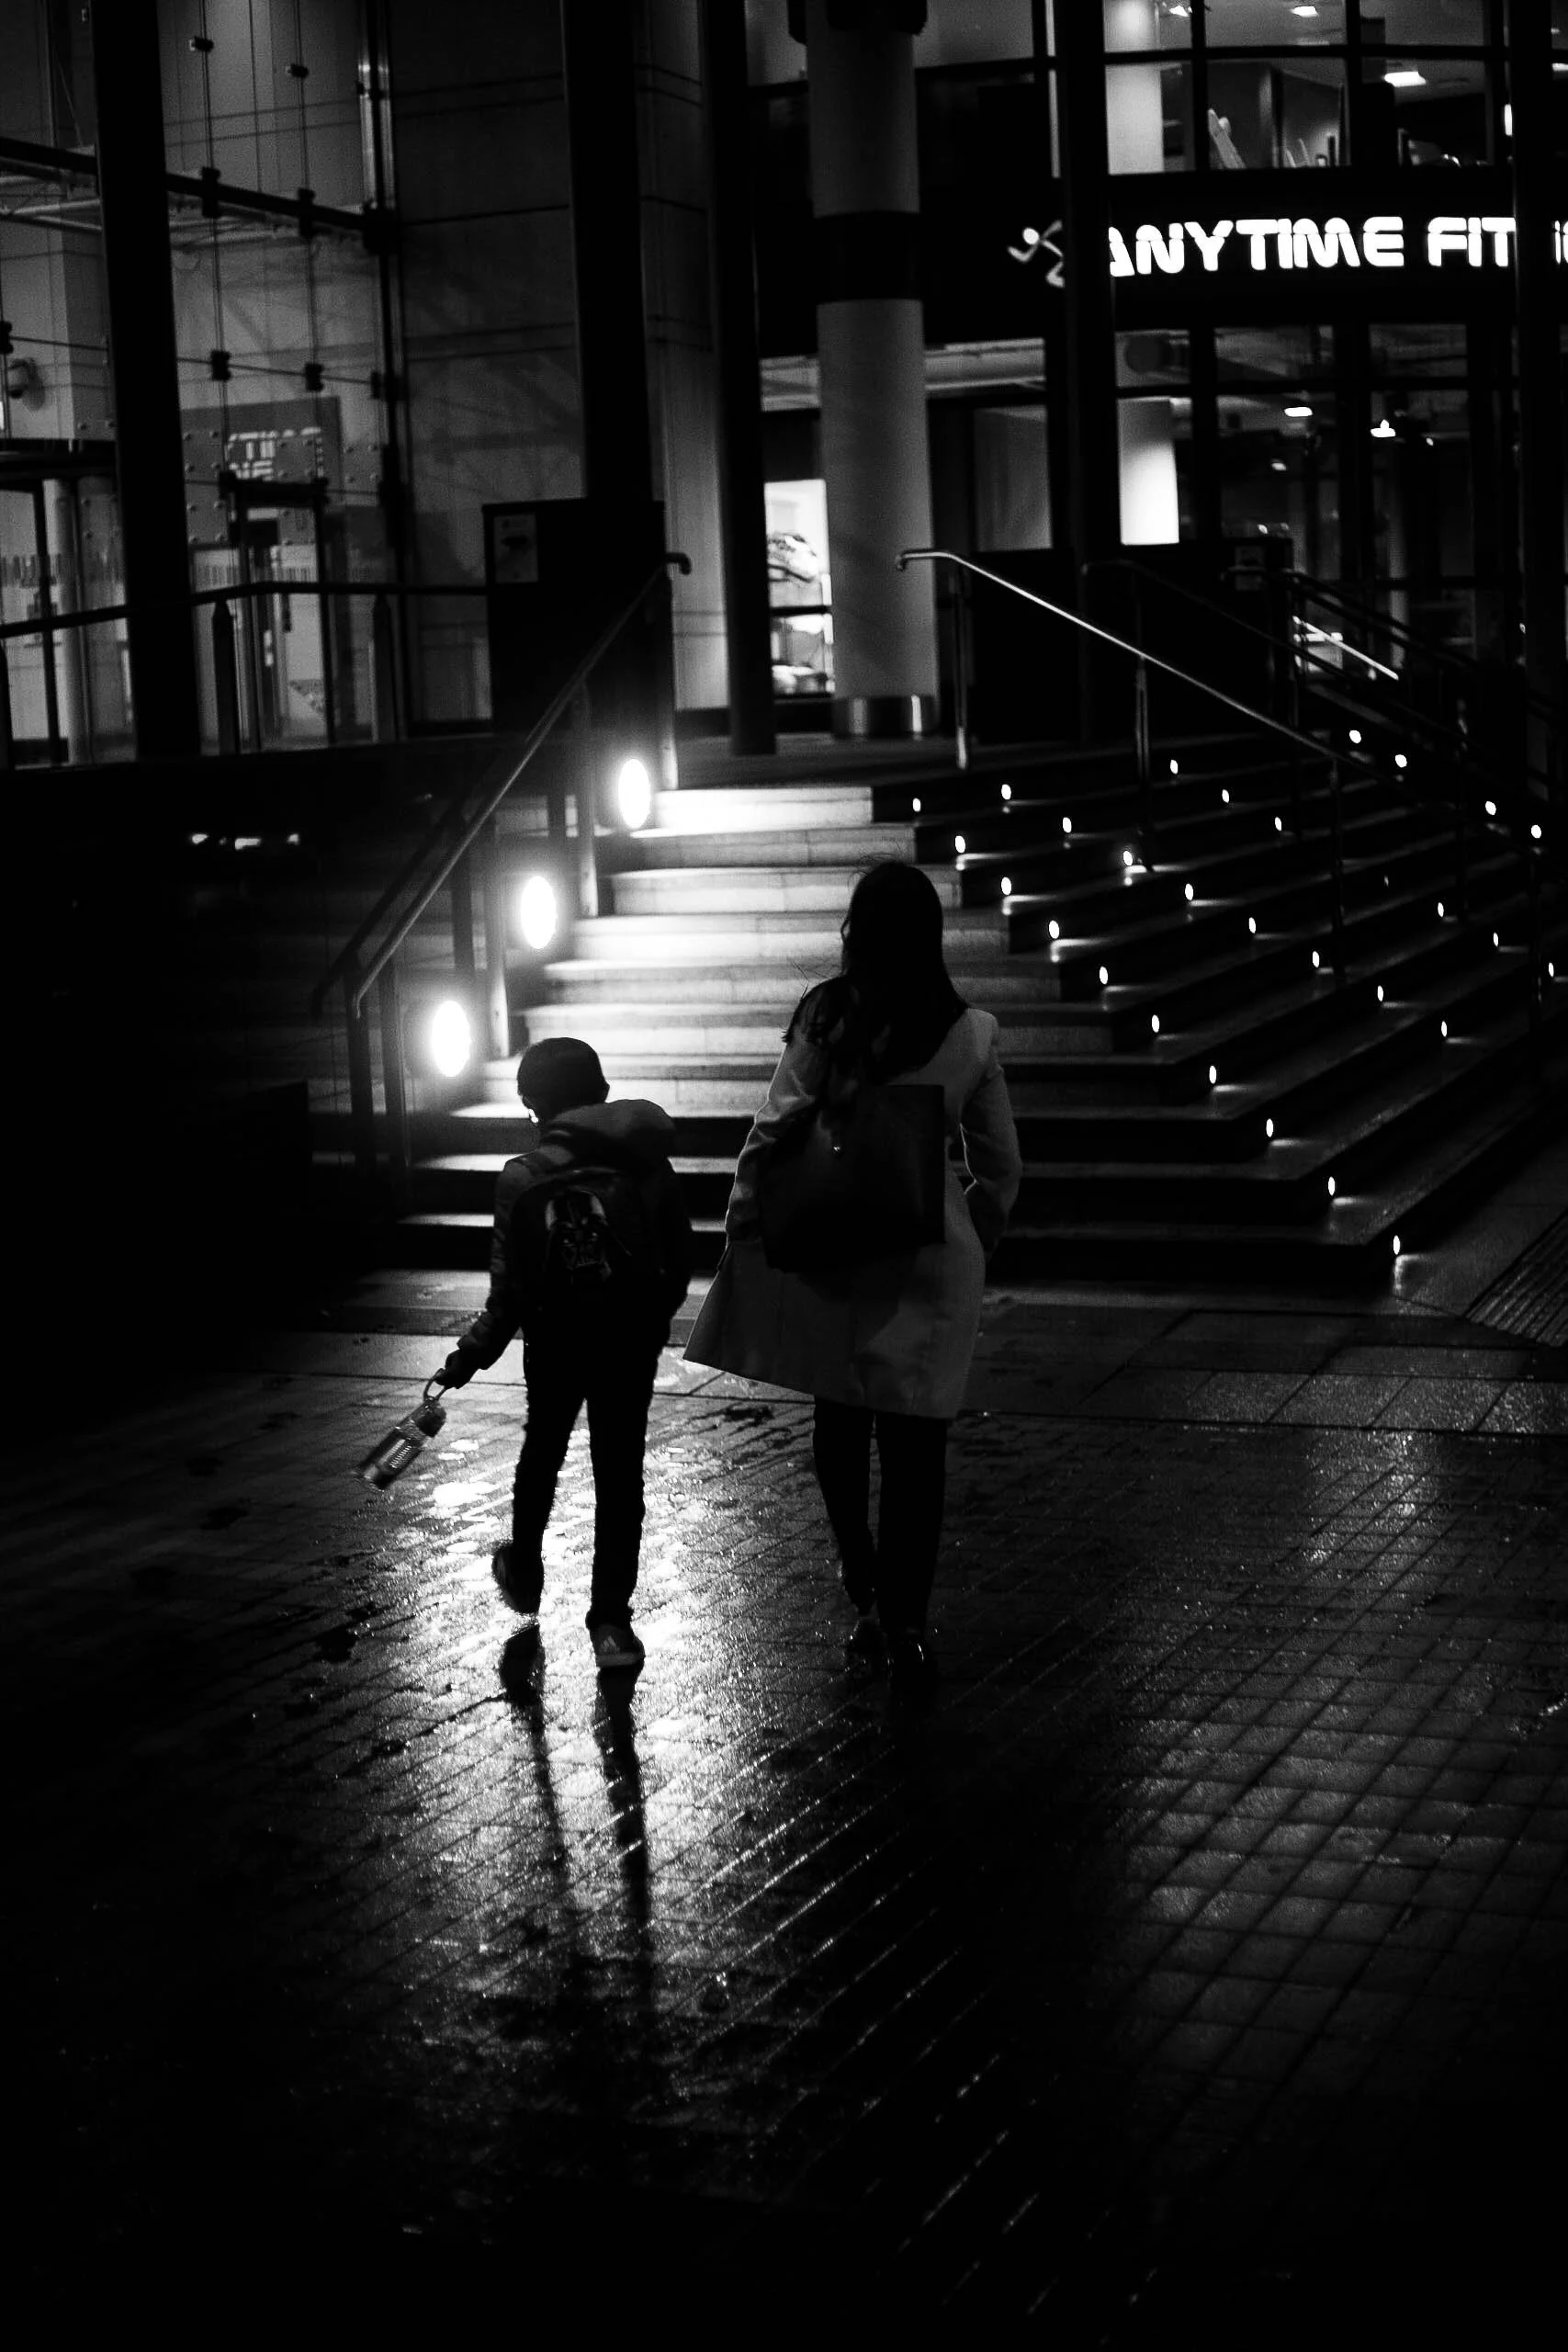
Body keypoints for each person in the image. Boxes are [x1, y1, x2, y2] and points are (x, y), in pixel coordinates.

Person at [684, 861, 1021, 1702]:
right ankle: (906, 1623)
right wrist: (973, 1228)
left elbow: (776, 1120)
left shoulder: (828, 1015)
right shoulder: (970, 1029)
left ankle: (863, 1589)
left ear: (855, 930)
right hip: (928, 1257)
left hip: (837, 1246)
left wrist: (741, 1217)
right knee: (917, 1452)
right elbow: (1001, 1164)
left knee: (839, 1428)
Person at [433, 1036, 694, 1672]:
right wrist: (648, 1324)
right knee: (619, 1474)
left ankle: (524, 1571)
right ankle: (610, 1625)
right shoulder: (644, 1163)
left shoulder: (523, 1177)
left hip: (553, 1346)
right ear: (602, 1093)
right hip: (626, 1345)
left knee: (541, 1455)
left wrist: (465, 1361)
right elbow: (679, 1259)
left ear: (531, 1105)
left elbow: (508, 1295)